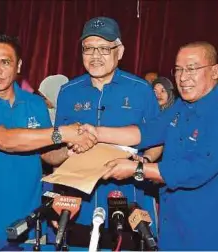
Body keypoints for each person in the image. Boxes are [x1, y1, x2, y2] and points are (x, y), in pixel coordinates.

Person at [78, 41, 218, 250]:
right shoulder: (181, 107)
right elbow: (146, 132)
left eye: (192, 69)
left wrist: (137, 169)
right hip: (173, 227)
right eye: (178, 69)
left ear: (215, 72)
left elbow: (194, 170)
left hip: (212, 232)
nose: (183, 77)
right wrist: (97, 132)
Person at [0, 32, 96, 240]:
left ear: (18, 66)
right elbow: (6, 140)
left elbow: (48, 155)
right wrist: (63, 133)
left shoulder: (34, 103)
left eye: (5, 62)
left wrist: (76, 146)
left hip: (30, 225)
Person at [53, 16, 161, 242]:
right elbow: (56, 145)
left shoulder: (141, 89)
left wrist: (143, 163)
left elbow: (157, 141)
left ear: (119, 51)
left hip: (129, 202)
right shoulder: (68, 91)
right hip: (78, 207)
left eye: (103, 48)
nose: (95, 56)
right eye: (88, 48)